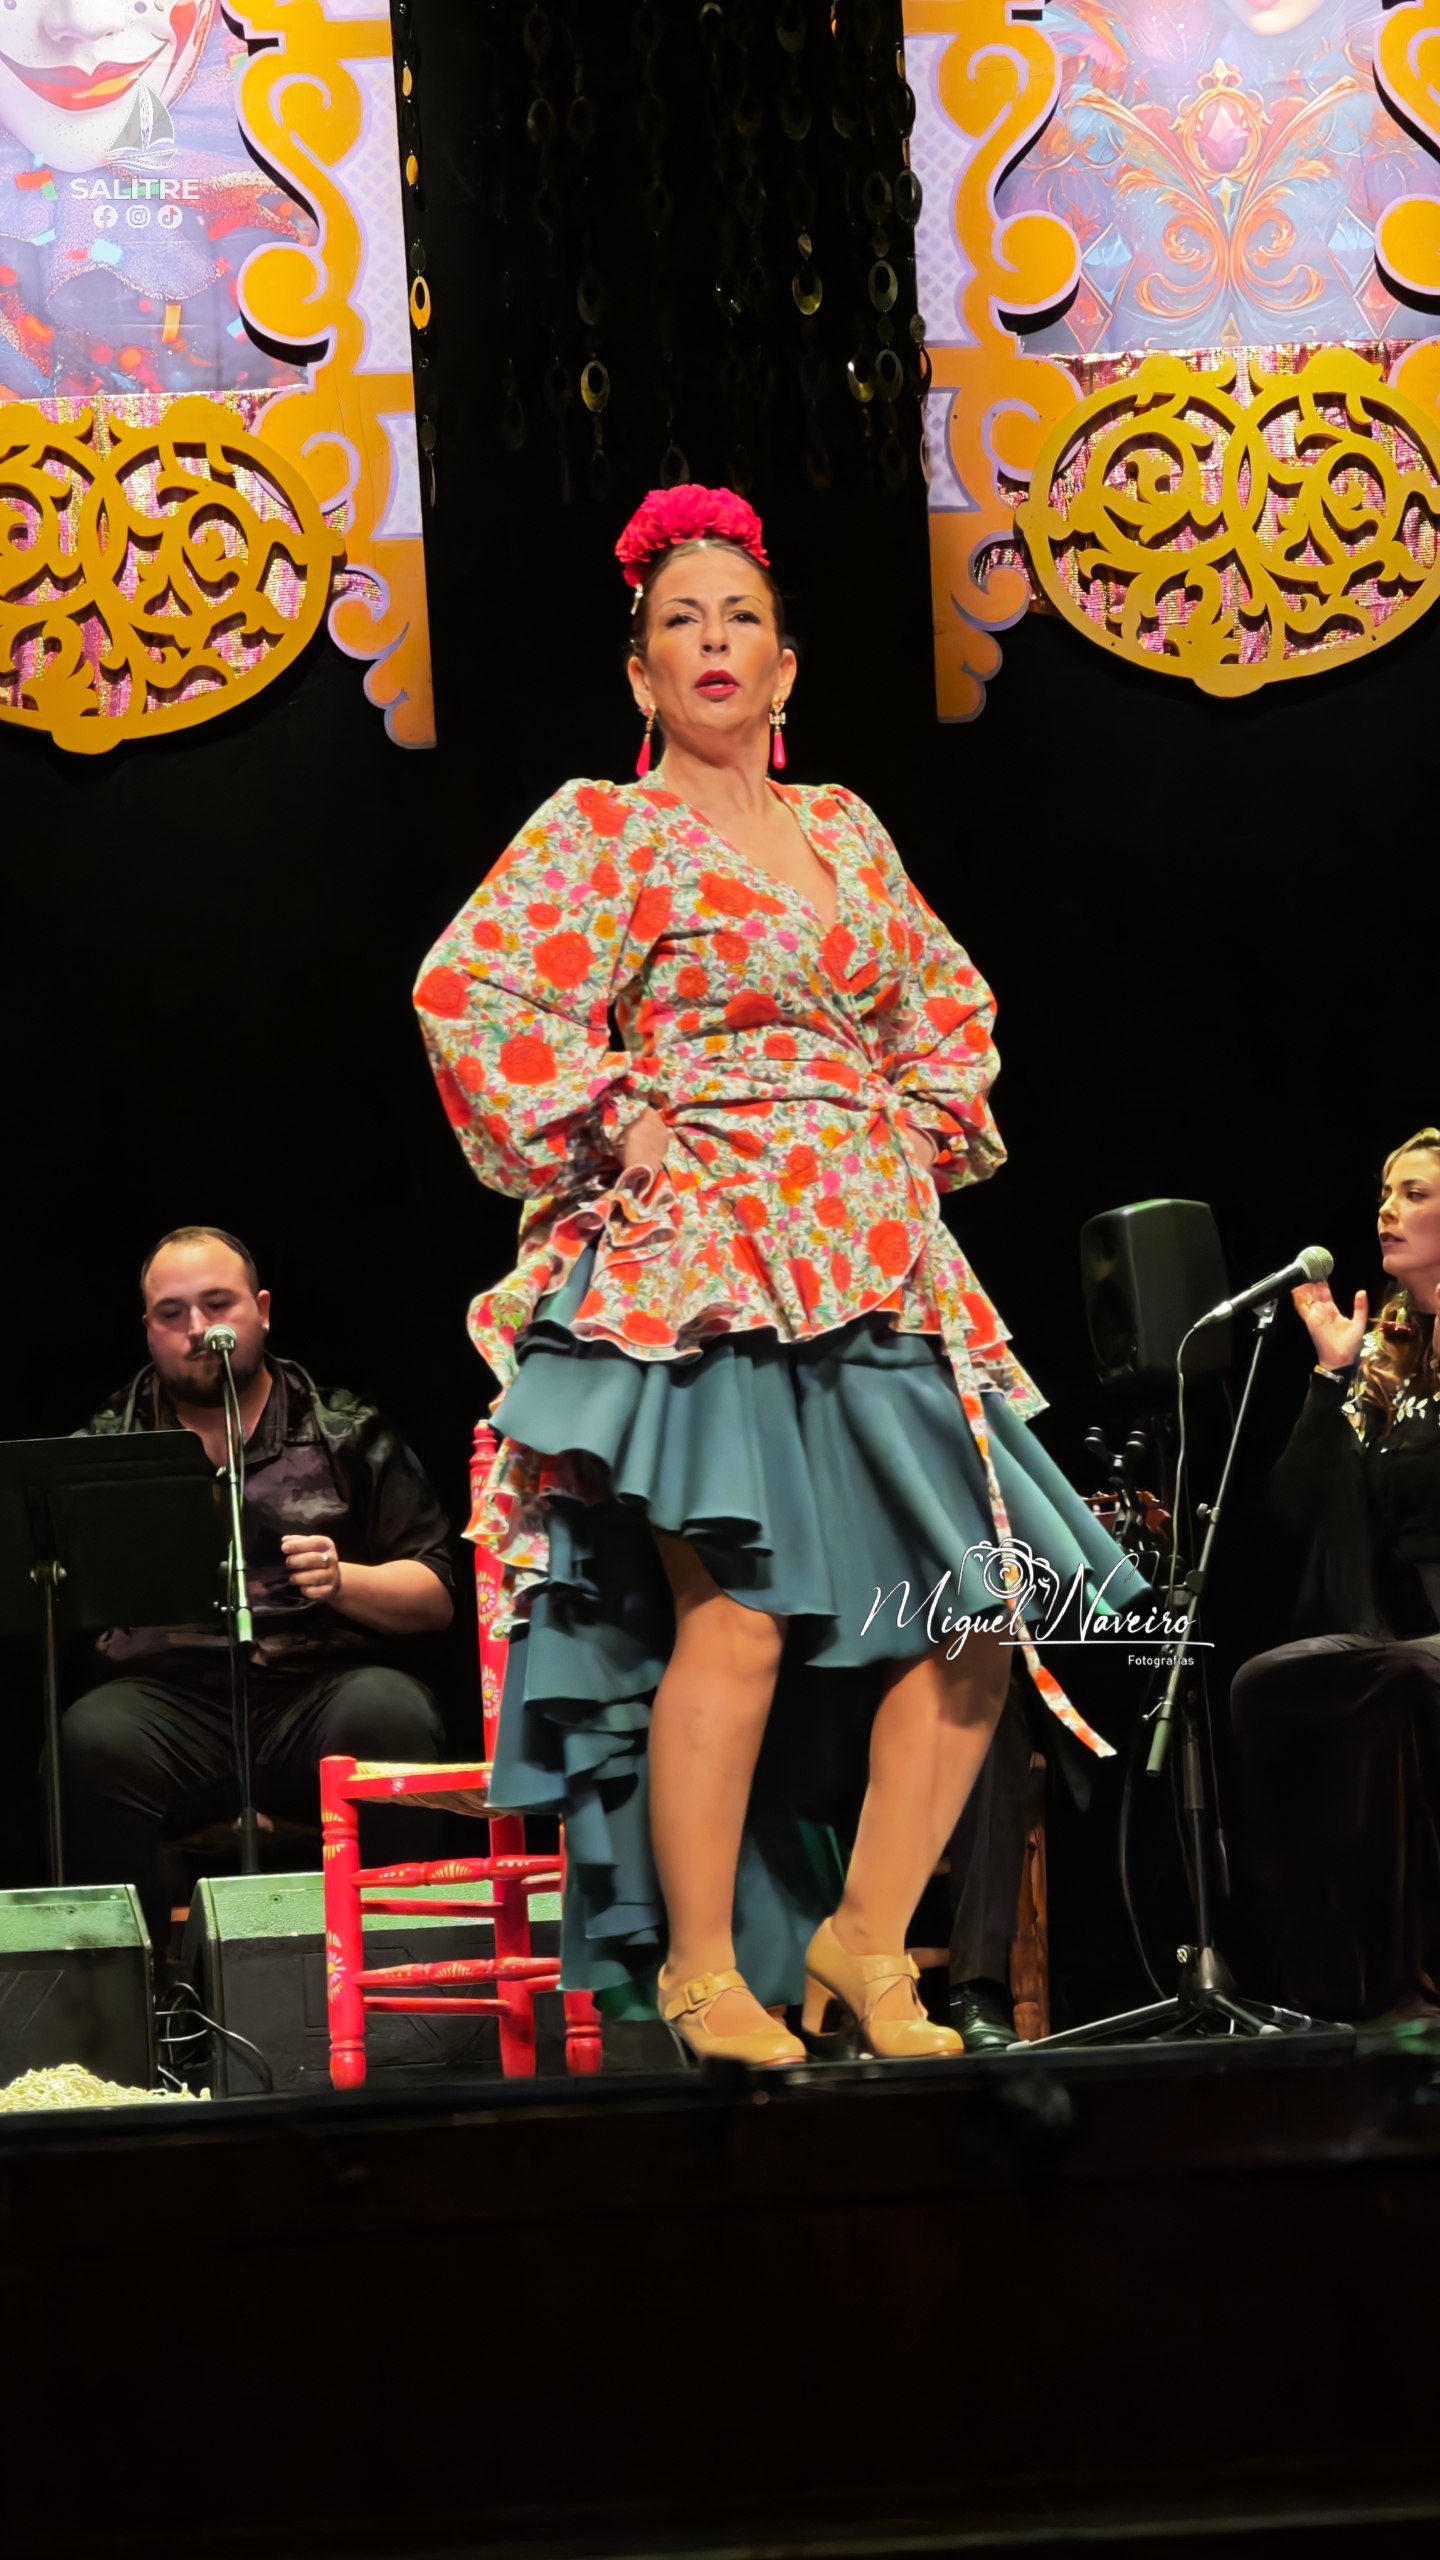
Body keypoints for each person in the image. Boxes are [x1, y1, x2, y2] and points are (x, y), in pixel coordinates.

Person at [414, 483, 1146, 2069]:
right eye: (680, 621)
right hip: (703, 1258)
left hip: (872, 1252)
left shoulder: (847, 829)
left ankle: (866, 1941)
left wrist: (915, 1126)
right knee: (738, 1612)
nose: (713, 640)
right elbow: (471, 990)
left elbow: (948, 1008)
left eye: (740, 616)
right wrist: (613, 1115)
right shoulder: (602, 828)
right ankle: (700, 1970)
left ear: (786, 664)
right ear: (641, 674)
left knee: (978, 1607)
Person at [62, 1226, 454, 1954]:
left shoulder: (344, 1429)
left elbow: (435, 1592)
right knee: (92, 1737)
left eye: (218, 1305)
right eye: (172, 1313)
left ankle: (400, 1971)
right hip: (168, 1708)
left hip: (318, 1695)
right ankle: (134, 1992)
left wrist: (344, 1580)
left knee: (391, 1712)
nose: (198, 1329)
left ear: (262, 1310)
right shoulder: (108, 1445)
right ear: (147, 1328)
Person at [1232, 1128, 1440, 2024]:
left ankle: (1416, 1982)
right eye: (1387, 1192)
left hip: (1422, 1647)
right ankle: (1329, 1982)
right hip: (1405, 1631)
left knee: (1405, 1679)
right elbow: (1297, 1503)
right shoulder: (1389, 1354)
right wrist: (1331, 1374)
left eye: (1416, 1194)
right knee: (1269, 1683)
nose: (1388, 1209)